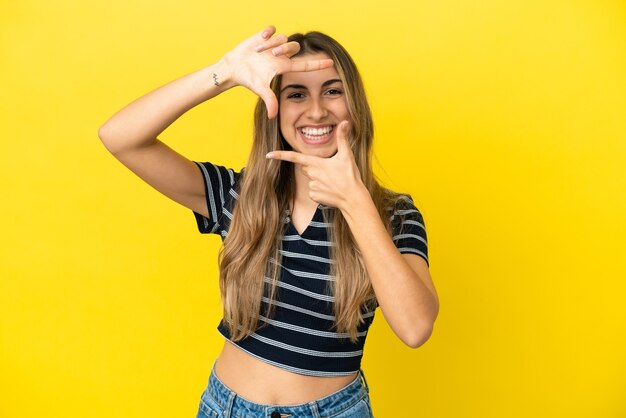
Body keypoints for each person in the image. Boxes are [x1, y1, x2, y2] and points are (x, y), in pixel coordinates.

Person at [99, 25, 439, 418]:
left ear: (354, 105)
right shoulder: (240, 197)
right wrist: (224, 73)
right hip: (225, 408)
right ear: (273, 108)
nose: (315, 110)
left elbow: (415, 328)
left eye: (332, 90)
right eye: (296, 94)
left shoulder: (392, 214)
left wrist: (355, 202)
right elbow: (120, 137)